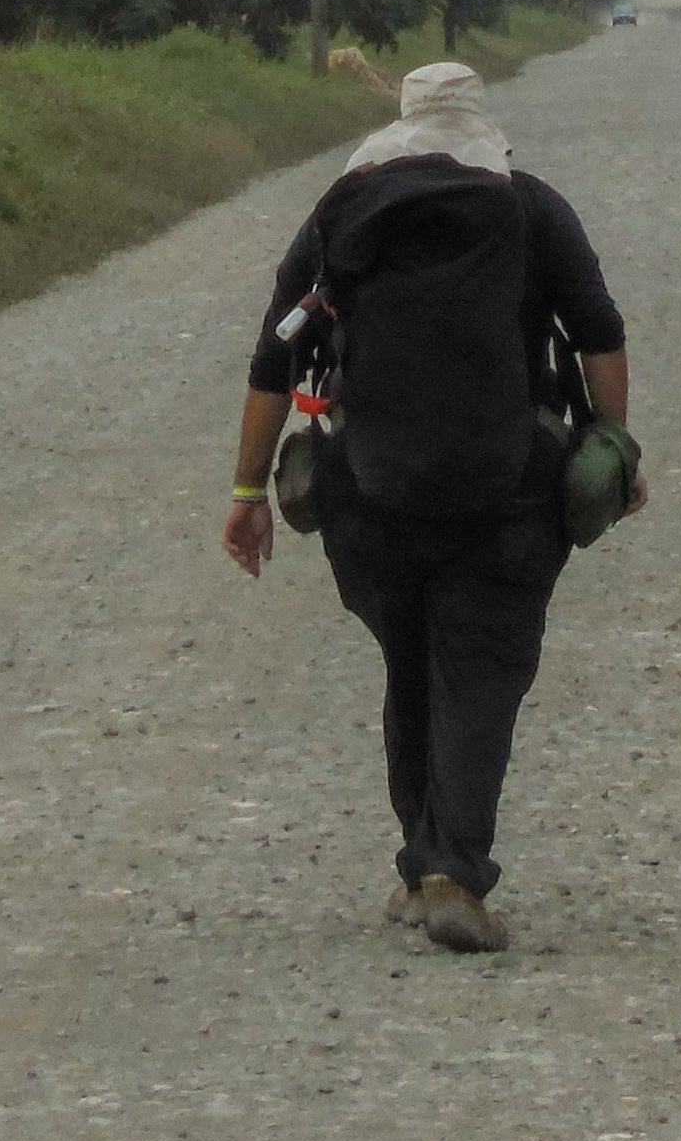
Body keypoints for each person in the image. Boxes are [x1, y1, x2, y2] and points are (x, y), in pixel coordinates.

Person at [221, 58, 633, 956]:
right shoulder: (530, 207)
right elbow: (599, 329)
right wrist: (613, 447)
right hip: (507, 484)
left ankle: (422, 863)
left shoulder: (343, 211)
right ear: (483, 130)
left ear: (401, 127)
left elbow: (274, 359)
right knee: (480, 668)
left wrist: (249, 493)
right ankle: (452, 871)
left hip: (370, 481)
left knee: (409, 660)